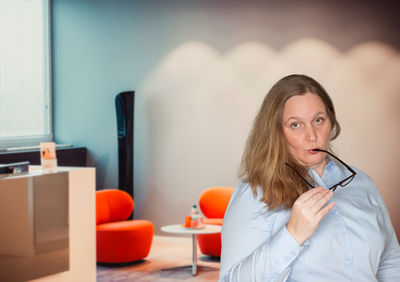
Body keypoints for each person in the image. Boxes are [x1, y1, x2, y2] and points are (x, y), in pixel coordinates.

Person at [219, 74, 400, 281]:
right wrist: (293, 234)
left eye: (318, 120)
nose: (312, 135)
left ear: (331, 122)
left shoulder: (362, 182)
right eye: (296, 125)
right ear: (276, 131)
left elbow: (391, 262)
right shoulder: (254, 193)